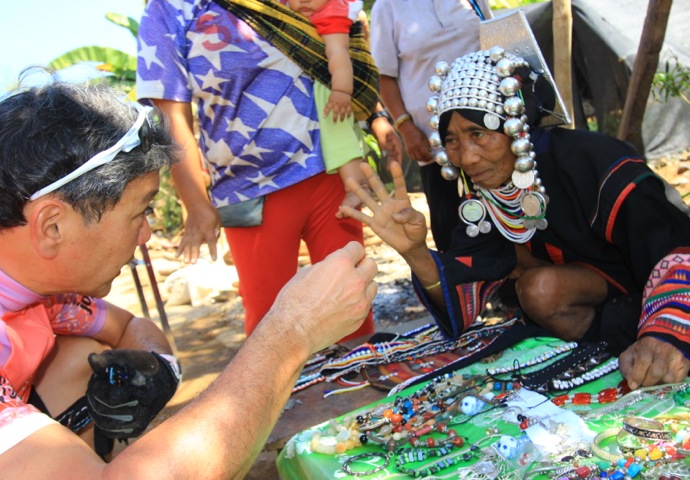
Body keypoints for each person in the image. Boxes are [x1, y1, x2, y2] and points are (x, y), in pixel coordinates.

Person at [0, 81, 378, 480]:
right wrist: (293, 331)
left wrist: (160, 367)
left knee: (79, 359)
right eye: (140, 212)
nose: (146, 236)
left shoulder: (33, 279)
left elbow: (128, 328)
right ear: (52, 225)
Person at [339, 45, 690, 391]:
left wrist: (666, 332)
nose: (467, 157)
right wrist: (415, 251)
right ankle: (606, 349)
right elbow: (464, 287)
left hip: (657, 300)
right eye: (452, 141)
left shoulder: (593, 163)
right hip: (604, 314)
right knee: (538, 291)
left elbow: (674, 247)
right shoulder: (484, 194)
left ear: (516, 129)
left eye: (478, 134)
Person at [137, 0, 401, 337]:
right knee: (270, 329)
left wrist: (376, 114)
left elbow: (333, 47)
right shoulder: (170, 8)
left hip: (332, 171)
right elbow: (172, 115)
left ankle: (361, 388)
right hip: (248, 190)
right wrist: (196, 203)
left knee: (352, 310)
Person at [369, 0, 492, 251]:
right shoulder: (387, 7)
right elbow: (385, 76)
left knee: (507, 227)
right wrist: (405, 127)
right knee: (454, 236)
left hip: (490, 136)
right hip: (436, 147)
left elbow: (495, 42)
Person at [287, 0, 372, 217]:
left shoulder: (331, 14)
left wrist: (341, 92)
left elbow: (338, 54)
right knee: (346, 137)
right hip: (327, 85)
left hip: (331, 88)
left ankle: (357, 188)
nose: (302, 1)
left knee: (338, 138)